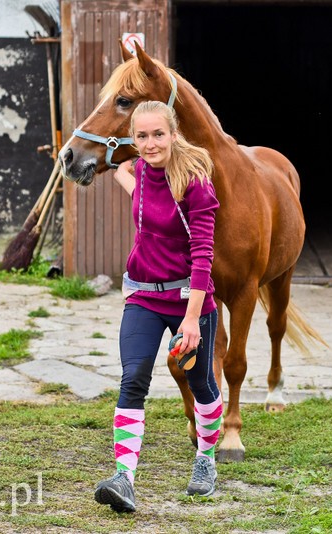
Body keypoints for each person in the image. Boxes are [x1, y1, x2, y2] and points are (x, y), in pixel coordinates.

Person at [93, 100, 222, 514]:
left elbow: (203, 254)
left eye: (158, 135)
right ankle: (124, 478)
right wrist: (121, 173)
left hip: (190, 300)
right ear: (134, 139)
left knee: (201, 384)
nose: (150, 144)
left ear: (173, 133)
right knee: (133, 379)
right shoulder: (142, 173)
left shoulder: (195, 181)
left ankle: (205, 460)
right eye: (142, 137)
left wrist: (192, 321)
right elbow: (139, 193)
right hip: (143, 296)